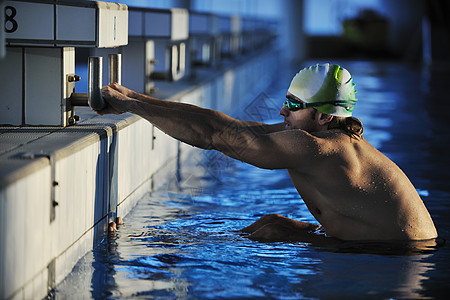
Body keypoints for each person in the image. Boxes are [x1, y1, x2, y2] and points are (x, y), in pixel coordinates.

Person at [97, 63, 438, 243]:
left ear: (323, 116)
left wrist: (130, 106)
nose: (281, 112)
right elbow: (227, 126)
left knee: (271, 231)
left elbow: (215, 136)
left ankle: (154, 241)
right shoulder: (322, 137)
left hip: (400, 256)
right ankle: (166, 238)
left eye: (293, 105)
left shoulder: (319, 147)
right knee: (271, 225)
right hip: (391, 244)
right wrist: (135, 99)